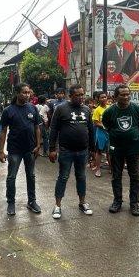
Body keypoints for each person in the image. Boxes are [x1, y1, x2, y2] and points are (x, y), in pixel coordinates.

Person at [49, 84, 95, 219]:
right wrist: (52, 149)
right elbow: (53, 130)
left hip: (82, 151)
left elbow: (91, 131)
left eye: (83, 95)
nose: (81, 98)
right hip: (66, 151)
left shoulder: (87, 110)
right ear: (70, 96)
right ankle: (57, 206)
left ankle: (82, 202)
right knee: (63, 177)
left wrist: (92, 149)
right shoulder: (60, 109)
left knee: (81, 177)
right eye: (78, 95)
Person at [0, 83, 42, 215]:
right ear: (17, 93)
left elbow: (37, 127)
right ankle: (11, 203)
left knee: (31, 176)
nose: (27, 95)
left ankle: (32, 201)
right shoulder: (8, 110)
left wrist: (38, 145)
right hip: (14, 149)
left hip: (30, 149)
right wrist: (1, 150)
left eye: (28, 92)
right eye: (24, 92)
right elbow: (3, 131)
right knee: (12, 177)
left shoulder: (33, 108)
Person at [102, 85, 139, 216]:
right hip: (117, 149)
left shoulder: (137, 109)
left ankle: (134, 204)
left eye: (127, 94)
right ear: (115, 97)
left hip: (134, 149)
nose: (126, 97)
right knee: (116, 176)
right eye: (122, 95)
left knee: (136, 177)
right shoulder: (109, 112)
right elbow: (107, 126)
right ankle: (117, 201)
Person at [91, 91, 110, 178]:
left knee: (110, 151)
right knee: (99, 151)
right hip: (101, 133)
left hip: (110, 133)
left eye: (105, 97)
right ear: (98, 99)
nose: (104, 99)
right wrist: (104, 126)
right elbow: (95, 123)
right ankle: (98, 169)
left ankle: (111, 168)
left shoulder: (110, 108)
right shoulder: (97, 110)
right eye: (101, 97)